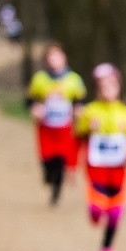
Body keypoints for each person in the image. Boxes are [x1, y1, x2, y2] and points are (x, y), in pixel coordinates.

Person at [73, 63, 126, 251]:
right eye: (103, 86)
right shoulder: (89, 112)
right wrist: (86, 126)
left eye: (111, 85)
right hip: (96, 172)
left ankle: (106, 249)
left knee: (114, 214)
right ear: (97, 89)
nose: (107, 90)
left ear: (119, 86)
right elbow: (78, 137)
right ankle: (94, 213)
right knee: (96, 210)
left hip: (119, 174)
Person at [27, 43, 86, 205]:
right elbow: (30, 100)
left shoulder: (74, 79)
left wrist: (78, 110)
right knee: (47, 159)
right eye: (51, 56)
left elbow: (80, 100)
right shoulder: (40, 79)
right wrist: (34, 108)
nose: (54, 60)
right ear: (47, 60)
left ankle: (56, 191)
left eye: (57, 56)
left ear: (64, 57)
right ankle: (48, 176)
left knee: (61, 159)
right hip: (45, 127)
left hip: (65, 127)